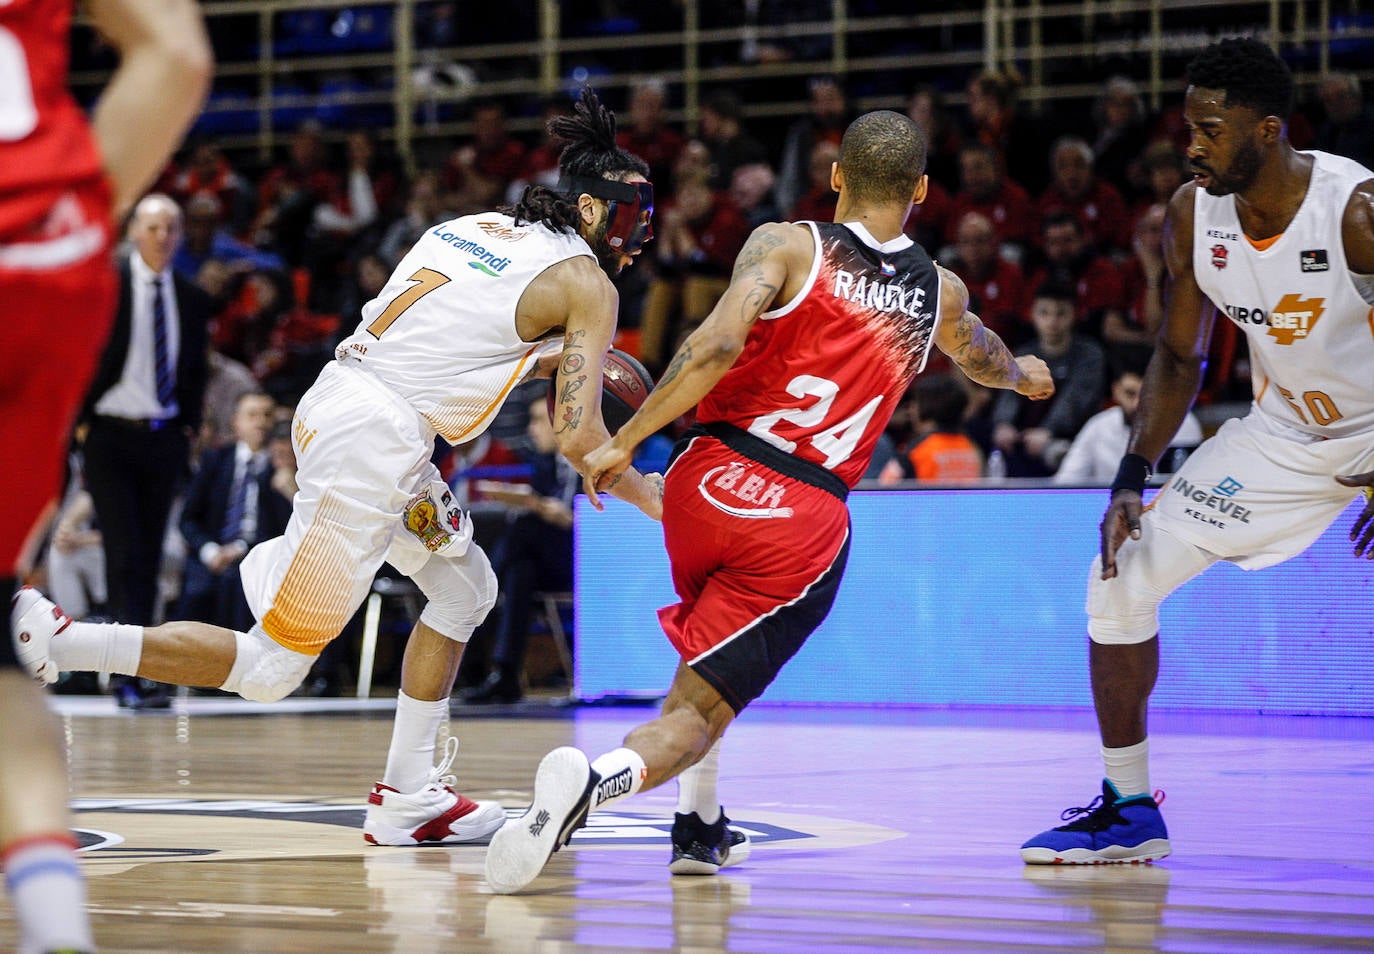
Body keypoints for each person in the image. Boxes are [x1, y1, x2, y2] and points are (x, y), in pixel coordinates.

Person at [13, 86, 662, 850]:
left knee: (464, 588)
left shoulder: (474, 227)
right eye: (634, 222)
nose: (640, 240)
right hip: (374, 447)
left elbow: (449, 344)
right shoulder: (588, 282)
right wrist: (660, 498)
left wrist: (541, 359)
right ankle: (60, 639)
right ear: (593, 213)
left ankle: (409, 795)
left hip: (361, 415)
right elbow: (582, 439)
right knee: (272, 668)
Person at [483, 109, 1055, 894]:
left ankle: (700, 824)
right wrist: (1025, 372)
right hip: (797, 515)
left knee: (710, 658)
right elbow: (985, 360)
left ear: (836, 178)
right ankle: (598, 782)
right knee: (695, 712)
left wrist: (628, 441)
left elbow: (712, 345)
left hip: (703, 480)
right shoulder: (939, 294)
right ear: (921, 190)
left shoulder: (784, 243)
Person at [1021, 37, 1374, 865]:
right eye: (1190, 127)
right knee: (1120, 577)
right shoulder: (1193, 211)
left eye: (1212, 130)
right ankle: (1128, 808)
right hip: (1280, 437)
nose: (1192, 145)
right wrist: (1128, 479)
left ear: (1268, 131)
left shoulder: (1355, 211)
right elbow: (1179, 358)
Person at [3, 0, 209, 949]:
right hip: (46, 252)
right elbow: (176, 51)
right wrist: (82, 208)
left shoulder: (188, 296)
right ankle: (57, 929)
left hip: (155, 427)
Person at [79, 193, 213, 708]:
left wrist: (188, 429)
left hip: (162, 437)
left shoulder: (190, 295)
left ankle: (140, 666)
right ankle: (122, 674)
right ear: (134, 231)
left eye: (171, 228)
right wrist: (79, 426)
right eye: (153, 227)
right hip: (109, 433)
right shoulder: (106, 286)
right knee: (123, 552)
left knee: (152, 554)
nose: (162, 237)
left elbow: (195, 372)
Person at [462, 390, 580, 704]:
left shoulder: (590, 460)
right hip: (555, 561)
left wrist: (548, 511)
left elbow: (603, 523)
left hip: (591, 561)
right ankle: (505, 674)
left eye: (540, 421)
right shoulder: (545, 464)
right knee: (520, 571)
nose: (531, 429)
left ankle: (483, 586)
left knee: (524, 532)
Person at [178, 391, 292, 632]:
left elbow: (283, 528)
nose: (261, 422)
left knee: (245, 592)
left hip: (258, 556)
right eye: (252, 415)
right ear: (235, 422)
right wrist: (210, 551)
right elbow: (188, 520)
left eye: (267, 415)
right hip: (212, 555)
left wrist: (241, 549)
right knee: (197, 597)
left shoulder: (283, 465)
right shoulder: (215, 460)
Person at [990, 282, 1106, 477]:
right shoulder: (1024, 353)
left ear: (1074, 316)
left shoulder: (1089, 354)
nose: (1052, 322)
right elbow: (1009, 394)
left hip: (1071, 438)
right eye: (1044, 313)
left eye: (1061, 314)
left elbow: (1075, 401)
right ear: (1032, 315)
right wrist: (1004, 424)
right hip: (1025, 439)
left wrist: (1049, 430)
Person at [1052, 368, 1201, 484]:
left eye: (1147, 395)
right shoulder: (1098, 425)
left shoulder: (1184, 423)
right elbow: (1066, 481)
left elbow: (1191, 486)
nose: (1138, 403)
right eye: (1130, 393)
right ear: (1116, 391)